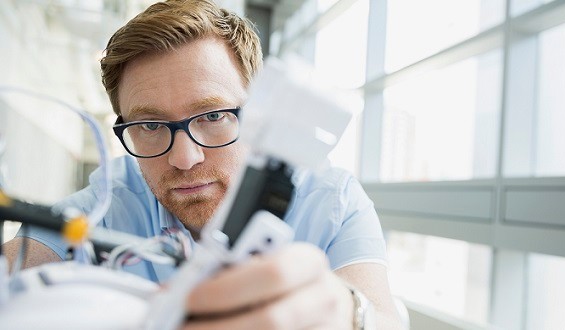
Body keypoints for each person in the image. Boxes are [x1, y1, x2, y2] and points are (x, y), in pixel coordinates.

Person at [2, 0, 402, 328]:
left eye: (212, 116)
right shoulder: (106, 203)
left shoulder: (332, 201)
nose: (184, 157)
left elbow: (382, 316)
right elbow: (19, 262)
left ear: (259, 113)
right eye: (152, 125)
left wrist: (350, 313)